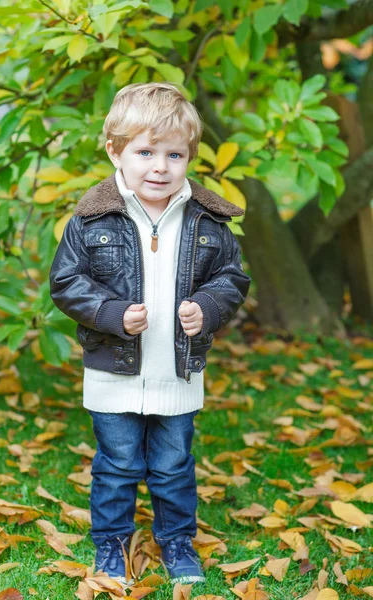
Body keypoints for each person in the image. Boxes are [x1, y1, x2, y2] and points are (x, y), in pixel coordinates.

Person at [49, 82, 251, 586]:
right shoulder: (92, 218)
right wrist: (113, 313)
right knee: (117, 464)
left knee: (173, 463)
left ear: (189, 157)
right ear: (115, 151)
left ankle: (178, 541)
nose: (159, 167)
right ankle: (111, 544)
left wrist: (207, 306)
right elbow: (67, 282)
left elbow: (231, 277)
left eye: (174, 154)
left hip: (176, 371)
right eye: (144, 152)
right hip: (113, 372)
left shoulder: (208, 219)